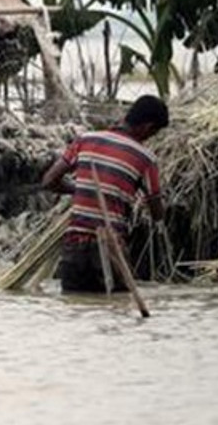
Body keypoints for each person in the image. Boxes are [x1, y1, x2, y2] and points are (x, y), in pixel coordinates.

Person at [40, 94, 170, 294]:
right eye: (153, 133)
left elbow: (49, 181)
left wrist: (80, 188)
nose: (150, 139)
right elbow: (156, 212)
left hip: (74, 247)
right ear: (148, 127)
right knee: (118, 311)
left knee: (75, 309)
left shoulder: (85, 140)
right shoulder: (145, 158)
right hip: (111, 247)